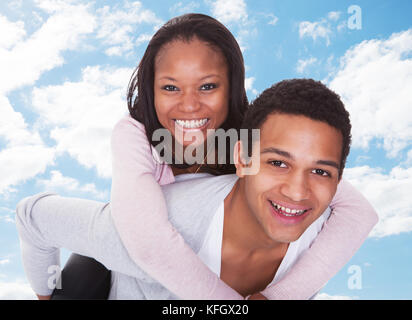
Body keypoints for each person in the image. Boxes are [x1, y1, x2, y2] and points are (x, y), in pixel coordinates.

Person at [16, 79, 378, 299]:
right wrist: (47, 295)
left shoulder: (321, 237)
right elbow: (32, 217)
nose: (298, 192)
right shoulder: (158, 224)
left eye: (320, 171)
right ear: (242, 157)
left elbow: (363, 212)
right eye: (278, 163)